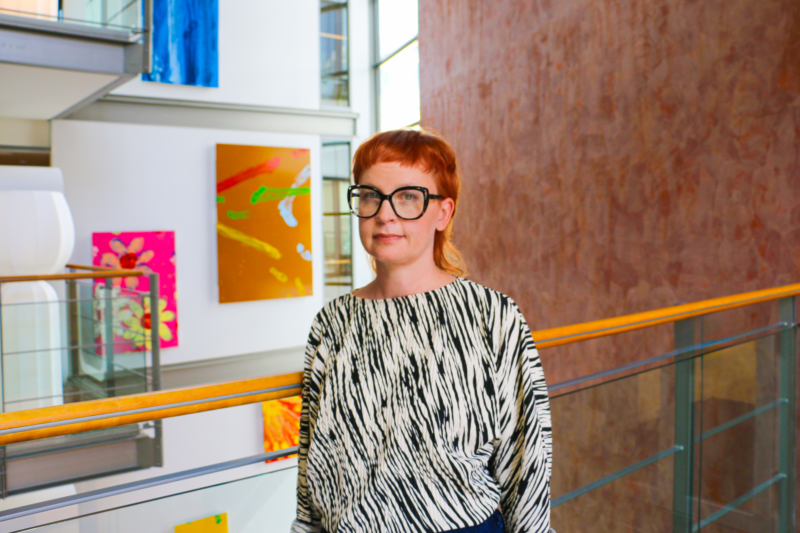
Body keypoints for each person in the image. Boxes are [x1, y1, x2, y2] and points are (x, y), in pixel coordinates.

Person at [291, 129, 552, 533]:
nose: (385, 214)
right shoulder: (333, 322)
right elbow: (312, 458)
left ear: (443, 213)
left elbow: (527, 457)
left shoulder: (491, 315)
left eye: (408, 197)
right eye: (370, 195)